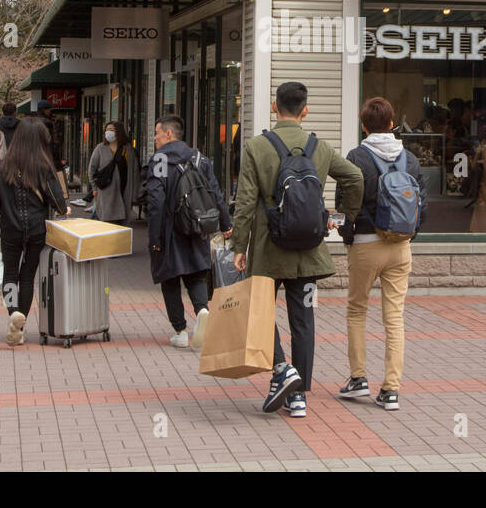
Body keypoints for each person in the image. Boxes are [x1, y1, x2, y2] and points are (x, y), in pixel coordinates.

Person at [229, 81, 363, 418]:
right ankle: (299, 395)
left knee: (259, 313)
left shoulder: (257, 147)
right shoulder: (319, 147)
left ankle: (280, 368)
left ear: (275, 108)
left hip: (268, 248)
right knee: (303, 318)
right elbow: (355, 177)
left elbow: (245, 200)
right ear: (305, 110)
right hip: (307, 251)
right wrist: (342, 217)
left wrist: (238, 245)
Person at [337, 97, 425, 412]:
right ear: (392, 124)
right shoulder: (411, 159)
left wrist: (348, 237)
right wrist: (408, 235)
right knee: (395, 317)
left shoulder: (357, 157)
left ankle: (358, 378)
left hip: (365, 243)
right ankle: (390, 390)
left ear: (364, 126)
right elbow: (421, 205)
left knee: (357, 310)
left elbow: (344, 203)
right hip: (401, 247)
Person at [143, 115, 230, 349]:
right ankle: (202, 310)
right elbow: (215, 194)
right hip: (197, 227)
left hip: (169, 230)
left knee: (170, 279)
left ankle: (180, 331)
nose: (154, 137)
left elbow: (156, 202)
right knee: (197, 275)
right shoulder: (199, 158)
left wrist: (154, 237)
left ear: (169, 134)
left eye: (157, 132)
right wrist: (226, 224)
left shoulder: (160, 160)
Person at [0, 118, 70, 346]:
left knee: (10, 274)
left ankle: (13, 313)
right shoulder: (44, 168)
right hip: (36, 230)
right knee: (27, 275)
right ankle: (20, 324)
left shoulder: (2, 167)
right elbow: (59, 204)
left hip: (10, 229)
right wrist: (65, 208)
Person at [87, 120, 140, 225]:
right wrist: (94, 188)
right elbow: (91, 169)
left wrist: (134, 194)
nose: (108, 132)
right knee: (106, 223)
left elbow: (135, 172)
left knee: (121, 223)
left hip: (124, 189)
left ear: (118, 132)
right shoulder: (100, 148)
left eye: (111, 129)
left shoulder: (128, 149)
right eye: (106, 130)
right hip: (106, 191)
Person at [37, 100, 66, 174]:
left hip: (35, 157)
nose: (50, 111)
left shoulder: (33, 123)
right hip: (49, 157)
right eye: (48, 109)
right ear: (44, 110)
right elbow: (56, 142)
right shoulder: (49, 124)